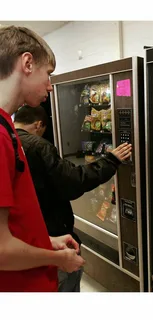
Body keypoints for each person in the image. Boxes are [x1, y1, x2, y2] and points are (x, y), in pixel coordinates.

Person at [0, 25, 85, 292]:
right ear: (27, 63)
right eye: (47, 74)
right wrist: (57, 258)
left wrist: (45, 241)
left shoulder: (8, 128)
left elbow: (13, 224)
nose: (50, 85)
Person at [14, 105, 132, 292]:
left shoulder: (9, 141)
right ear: (39, 125)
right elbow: (73, 182)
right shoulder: (38, 146)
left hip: (29, 236)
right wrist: (111, 160)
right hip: (53, 234)